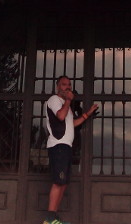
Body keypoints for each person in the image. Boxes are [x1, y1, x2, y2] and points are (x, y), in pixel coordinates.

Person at [44, 75, 99, 224]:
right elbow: (61, 117)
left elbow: (72, 123)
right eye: (63, 85)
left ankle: (53, 217)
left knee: (64, 182)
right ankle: (49, 220)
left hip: (66, 147)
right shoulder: (54, 100)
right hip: (58, 146)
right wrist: (69, 100)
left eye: (69, 85)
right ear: (57, 87)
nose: (67, 87)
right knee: (58, 182)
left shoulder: (65, 105)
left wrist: (88, 113)